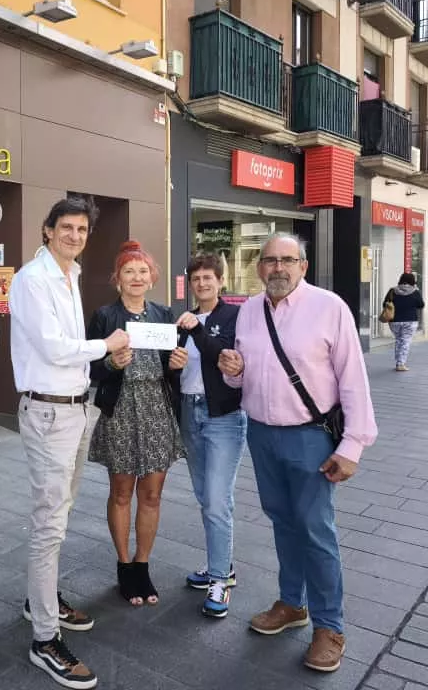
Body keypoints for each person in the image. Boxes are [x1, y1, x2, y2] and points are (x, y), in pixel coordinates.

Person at [218, 232, 377, 673]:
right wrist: (235, 373)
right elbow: (246, 376)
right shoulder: (249, 311)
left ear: (303, 266)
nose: (277, 268)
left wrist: (352, 446)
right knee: (283, 522)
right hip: (262, 434)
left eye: (288, 259)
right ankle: (292, 604)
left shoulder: (330, 307)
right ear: (259, 266)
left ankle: (330, 626)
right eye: (269, 260)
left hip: (310, 437)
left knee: (315, 529)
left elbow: (353, 380)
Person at [9, 196, 128, 690]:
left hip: (76, 408)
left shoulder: (70, 273)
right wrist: (109, 345)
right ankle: (43, 638)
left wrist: (100, 366)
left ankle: (41, 597)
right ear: (46, 229)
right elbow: (55, 348)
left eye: (82, 229)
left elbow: (71, 352)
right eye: (67, 227)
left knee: (61, 509)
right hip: (48, 411)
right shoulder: (31, 280)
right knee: (50, 521)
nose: (75, 235)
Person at [87, 240, 182, 609]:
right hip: (122, 409)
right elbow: (91, 366)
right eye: (129, 271)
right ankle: (124, 564)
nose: (137, 277)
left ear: (152, 276)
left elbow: (172, 366)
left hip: (156, 407)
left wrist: (177, 363)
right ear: (118, 279)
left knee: (153, 493)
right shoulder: (105, 316)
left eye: (143, 271)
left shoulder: (163, 315)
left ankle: (142, 564)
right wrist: (111, 364)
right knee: (122, 491)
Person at [168, 253, 246, 619]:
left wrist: (198, 332)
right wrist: (173, 366)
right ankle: (221, 563)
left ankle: (220, 579)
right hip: (189, 410)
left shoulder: (233, 317)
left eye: (208, 278)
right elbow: (175, 371)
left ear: (220, 281)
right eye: (196, 278)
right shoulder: (181, 322)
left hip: (223, 417)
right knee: (205, 496)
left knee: (217, 500)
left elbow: (225, 358)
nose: (202, 284)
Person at [386, 273, 424, 371]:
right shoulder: (415, 291)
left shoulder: (392, 290)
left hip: (394, 321)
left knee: (399, 340)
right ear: (412, 281)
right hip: (410, 321)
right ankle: (400, 364)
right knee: (405, 341)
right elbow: (421, 305)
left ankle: (399, 361)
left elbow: (385, 304)